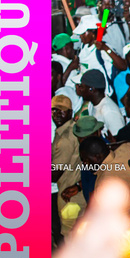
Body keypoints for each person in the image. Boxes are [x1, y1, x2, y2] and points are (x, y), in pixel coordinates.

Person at [78, 137, 130, 258]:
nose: (85, 164)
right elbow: (124, 143)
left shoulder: (105, 183)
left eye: (86, 160)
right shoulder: (128, 149)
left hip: (127, 239)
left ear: (97, 157)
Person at [52, 95, 86, 240]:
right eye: (54, 110)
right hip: (77, 191)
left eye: (62, 111)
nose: (57, 114)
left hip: (69, 197)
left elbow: (54, 175)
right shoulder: (73, 129)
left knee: (70, 240)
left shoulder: (65, 139)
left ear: (71, 113)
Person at [75, 70, 125, 136]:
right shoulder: (91, 104)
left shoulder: (109, 112)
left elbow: (119, 139)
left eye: (82, 86)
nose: (79, 89)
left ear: (91, 90)